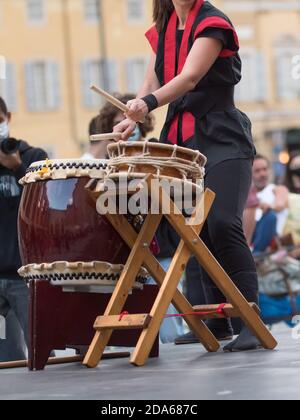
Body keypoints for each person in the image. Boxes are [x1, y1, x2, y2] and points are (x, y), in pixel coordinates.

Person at [114, 0, 264, 352]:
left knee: (223, 222)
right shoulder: (164, 28)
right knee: (192, 227)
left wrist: (147, 104)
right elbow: (151, 81)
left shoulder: (212, 23)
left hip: (222, 137)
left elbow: (190, 77)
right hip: (181, 141)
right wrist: (131, 117)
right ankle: (216, 318)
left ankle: (250, 320)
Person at [0, 96, 47, 362]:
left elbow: (44, 202)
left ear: (8, 119)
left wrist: (17, 168)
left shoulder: (35, 158)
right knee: (7, 360)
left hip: (26, 275)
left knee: (42, 352)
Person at [82, 94, 155, 160]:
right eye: (118, 123)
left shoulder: (156, 152)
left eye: (129, 120)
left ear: (141, 123)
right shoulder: (110, 162)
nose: (125, 126)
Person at [250, 155, 289, 254]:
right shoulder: (247, 196)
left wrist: (268, 206)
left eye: (264, 169)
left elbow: (280, 204)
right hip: (252, 235)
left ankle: (255, 255)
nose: (262, 174)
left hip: (273, 240)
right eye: (257, 171)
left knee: (270, 216)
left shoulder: (277, 189)